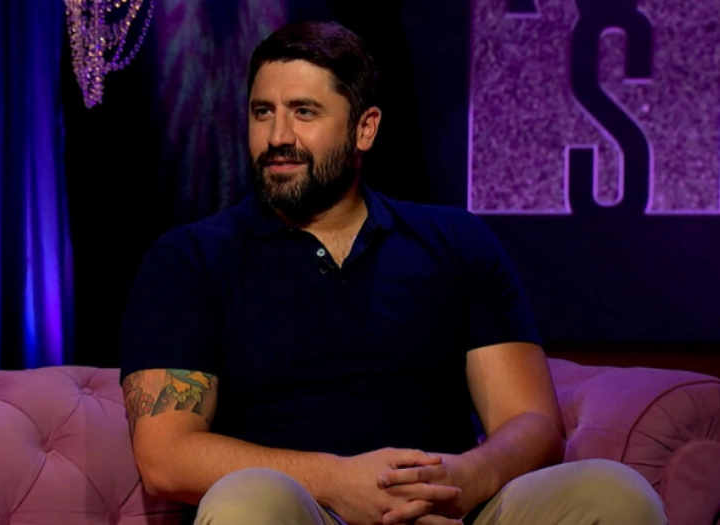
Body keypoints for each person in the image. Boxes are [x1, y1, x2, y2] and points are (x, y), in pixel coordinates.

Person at [119, 20, 666, 525]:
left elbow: (532, 423)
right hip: (302, 508)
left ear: (365, 128)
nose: (278, 136)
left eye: (304, 112)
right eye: (263, 112)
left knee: (615, 493)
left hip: (451, 508)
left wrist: (462, 479)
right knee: (246, 500)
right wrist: (338, 482)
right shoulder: (190, 259)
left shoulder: (456, 242)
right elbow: (166, 456)